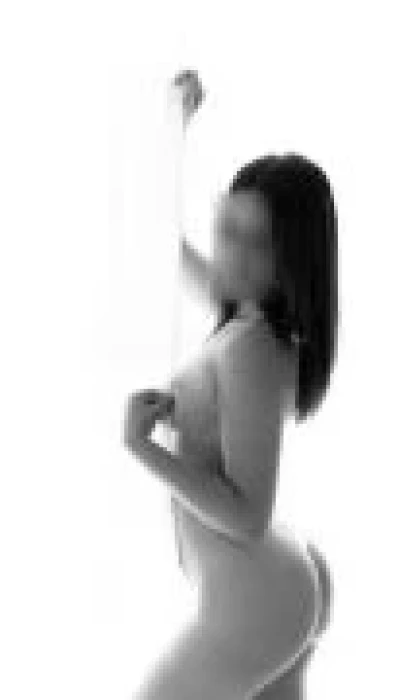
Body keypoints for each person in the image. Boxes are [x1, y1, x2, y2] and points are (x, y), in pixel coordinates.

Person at [124, 152, 338, 699]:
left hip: (255, 603)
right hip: (269, 591)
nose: (235, 254)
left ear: (294, 257)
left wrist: (145, 449)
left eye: (260, 241)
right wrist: (167, 136)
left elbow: (246, 517)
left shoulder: (251, 348)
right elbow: (170, 253)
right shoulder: (248, 320)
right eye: (229, 230)